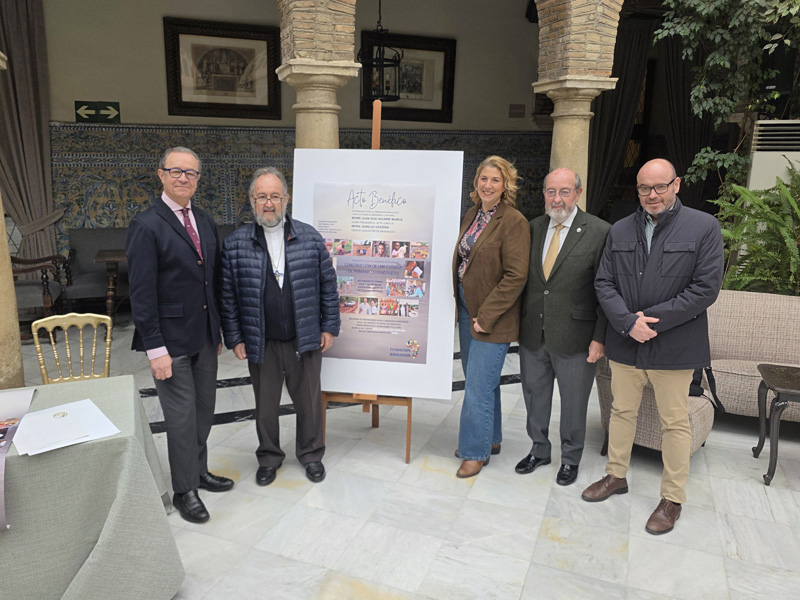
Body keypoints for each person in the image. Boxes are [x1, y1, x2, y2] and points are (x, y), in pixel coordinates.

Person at [582, 158, 723, 535]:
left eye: (660, 186)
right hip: (626, 341)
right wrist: (628, 322)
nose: (652, 194)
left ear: (676, 184)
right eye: (644, 188)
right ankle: (615, 476)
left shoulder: (703, 227)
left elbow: (706, 289)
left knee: (674, 422)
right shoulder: (620, 230)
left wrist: (651, 321)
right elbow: (604, 282)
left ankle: (672, 499)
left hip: (674, 345)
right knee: (621, 411)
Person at [126, 146, 233, 524]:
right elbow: (141, 294)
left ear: (198, 179)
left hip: (204, 336)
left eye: (191, 173)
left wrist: (217, 331)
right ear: (161, 175)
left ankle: (199, 471)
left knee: (204, 412)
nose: (183, 178)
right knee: (181, 419)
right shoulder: (146, 225)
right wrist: (155, 348)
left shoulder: (204, 220)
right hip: (169, 343)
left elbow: (212, 280)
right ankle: (184, 489)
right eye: (176, 171)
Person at [220, 167, 340, 486]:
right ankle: (269, 457)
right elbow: (227, 296)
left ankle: (311, 454)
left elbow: (328, 285)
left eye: (275, 196)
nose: (269, 203)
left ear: (286, 199)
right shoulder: (235, 244)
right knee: (266, 406)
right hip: (262, 340)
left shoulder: (310, 237)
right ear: (251, 201)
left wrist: (328, 326)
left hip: (305, 336)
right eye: (262, 197)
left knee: (309, 402)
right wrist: (235, 337)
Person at [517, 168, 611, 486]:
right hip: (533, 332)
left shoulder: (600, 231)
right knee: (534, 396)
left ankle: (570, 458)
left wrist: (600, 338)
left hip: (577, 337)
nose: (557, 199)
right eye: (551, 192)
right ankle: (539, 450)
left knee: (573, 403)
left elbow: (606, 290)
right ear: (543, 194)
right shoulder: (532, 228)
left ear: (578, 193)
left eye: (564, 191)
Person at [452, 155, 530, 478]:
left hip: (492, 316)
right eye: (483, 178)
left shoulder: (514, 221)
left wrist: (485, 316)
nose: (488, 185)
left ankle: (474, 451)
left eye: (495, 180)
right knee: (483, 381)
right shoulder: (473, 214)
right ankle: (491, 438)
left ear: (505, 185)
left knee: (477, 386)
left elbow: (516, 276)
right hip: (467, 306)